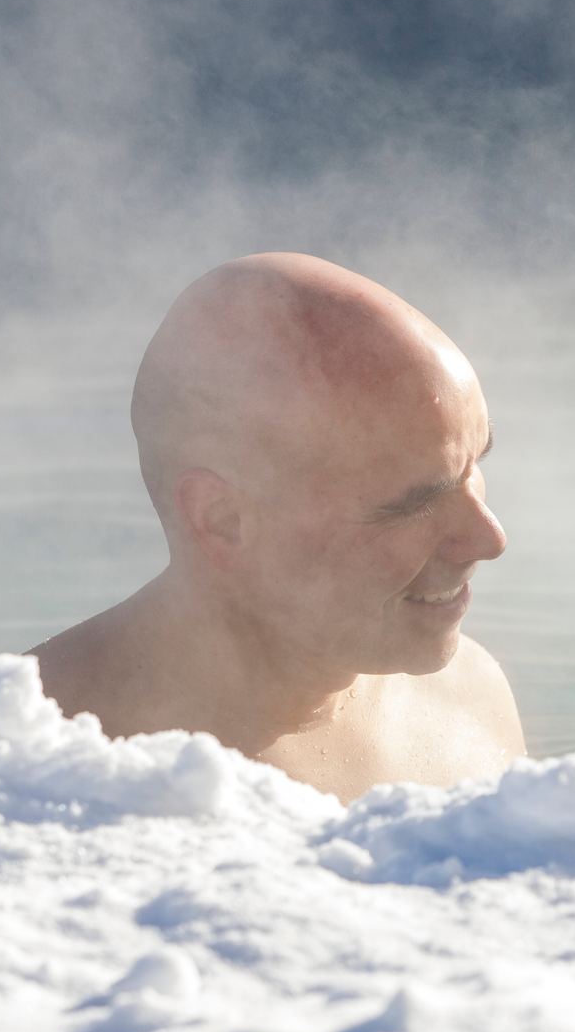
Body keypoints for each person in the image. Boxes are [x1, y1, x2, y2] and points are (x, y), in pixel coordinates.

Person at [31, 253, 526, 800]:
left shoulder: (471, 699)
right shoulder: (41, 758)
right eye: (414, 503)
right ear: (223, 521)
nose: (489, 538)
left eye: (473, 466)